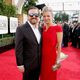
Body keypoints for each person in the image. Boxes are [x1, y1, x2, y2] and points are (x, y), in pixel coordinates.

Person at [15, 6, 42, 80]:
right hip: (28, 65)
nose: (34, 16)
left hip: (39, 64)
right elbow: (18, 48)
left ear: (38, 16)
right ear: (27, 16)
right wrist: (20, 64)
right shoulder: (21, 29)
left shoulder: (40, 29)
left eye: (36, 15)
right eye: (31, 14)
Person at [40, 6, 63, 80]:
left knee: (50, 76)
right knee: (43, 76)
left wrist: (58, 58)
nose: (46, 18)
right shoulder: (43, 28)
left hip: (51, 58)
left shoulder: (58, 28)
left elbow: (59, 44)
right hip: (42, 58)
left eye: (48, 16)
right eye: (44, 16)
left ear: (52, 16)